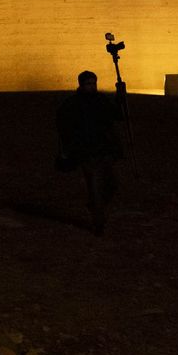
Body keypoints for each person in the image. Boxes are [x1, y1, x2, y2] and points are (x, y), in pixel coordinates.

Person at [55, 70, 126, 235]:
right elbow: (63, 127)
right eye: (88, 84)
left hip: (104, 149)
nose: (92, 87)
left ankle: (96, 208)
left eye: (94, 83)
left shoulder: (101, 100)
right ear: (81, 85)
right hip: (85, 151)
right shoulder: (72, 104)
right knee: (94, 187)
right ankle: (98, 222)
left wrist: (120, 97)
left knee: (112, 184)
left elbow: (117, 115)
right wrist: (67, 148)